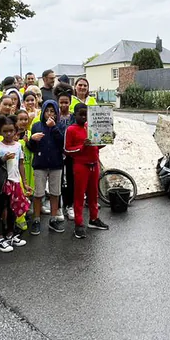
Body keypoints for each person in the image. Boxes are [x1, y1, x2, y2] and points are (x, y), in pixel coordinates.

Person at [64, 104, 110, 238]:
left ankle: (94, 219)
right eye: (81, 114)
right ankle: (78, 223)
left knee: (93, 194)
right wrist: (82, 146)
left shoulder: (91, 127)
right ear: (75, 114)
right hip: (80, 166)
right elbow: (67, 150)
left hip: (94, 164)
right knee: (79, 196)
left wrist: (107, 138)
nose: (83, 117)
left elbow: (97, 145)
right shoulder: (71, 129)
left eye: (86, 114)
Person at [0, 115, 31, 250]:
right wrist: (3, 158)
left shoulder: (18, 146)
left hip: (15, 182)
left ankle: (10, 233)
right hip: (2, 183)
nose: (8, 134)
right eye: (5, 131)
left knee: (12, 208)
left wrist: (24, 182)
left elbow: (21, 165)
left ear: (16, 131)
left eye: (11, 131)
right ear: (0, 131)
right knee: (0, 208)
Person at [27, 100, 65, 235]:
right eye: (47, 111)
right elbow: (31, 148)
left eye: (53, 112)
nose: (50, 114)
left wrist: (54, 127)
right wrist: (32, 139)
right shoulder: (36, 126)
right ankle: (36, 220)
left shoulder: (60, 125)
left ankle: (53, 219)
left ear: (56, 113)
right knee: (38, 194)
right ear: (42, 112)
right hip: (40, 164)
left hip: (56, 164)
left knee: (55, 193)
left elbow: (62, 144)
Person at [56, 85, 75, 220]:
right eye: (61, 102)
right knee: (58, 181)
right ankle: (58, 207)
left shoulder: (74, 117)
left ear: (70, 103)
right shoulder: (54, 117)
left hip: (71, 154)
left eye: (66, 102)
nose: (63, 105)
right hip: (57, 153)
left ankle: (70, 205)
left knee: (70, 179)